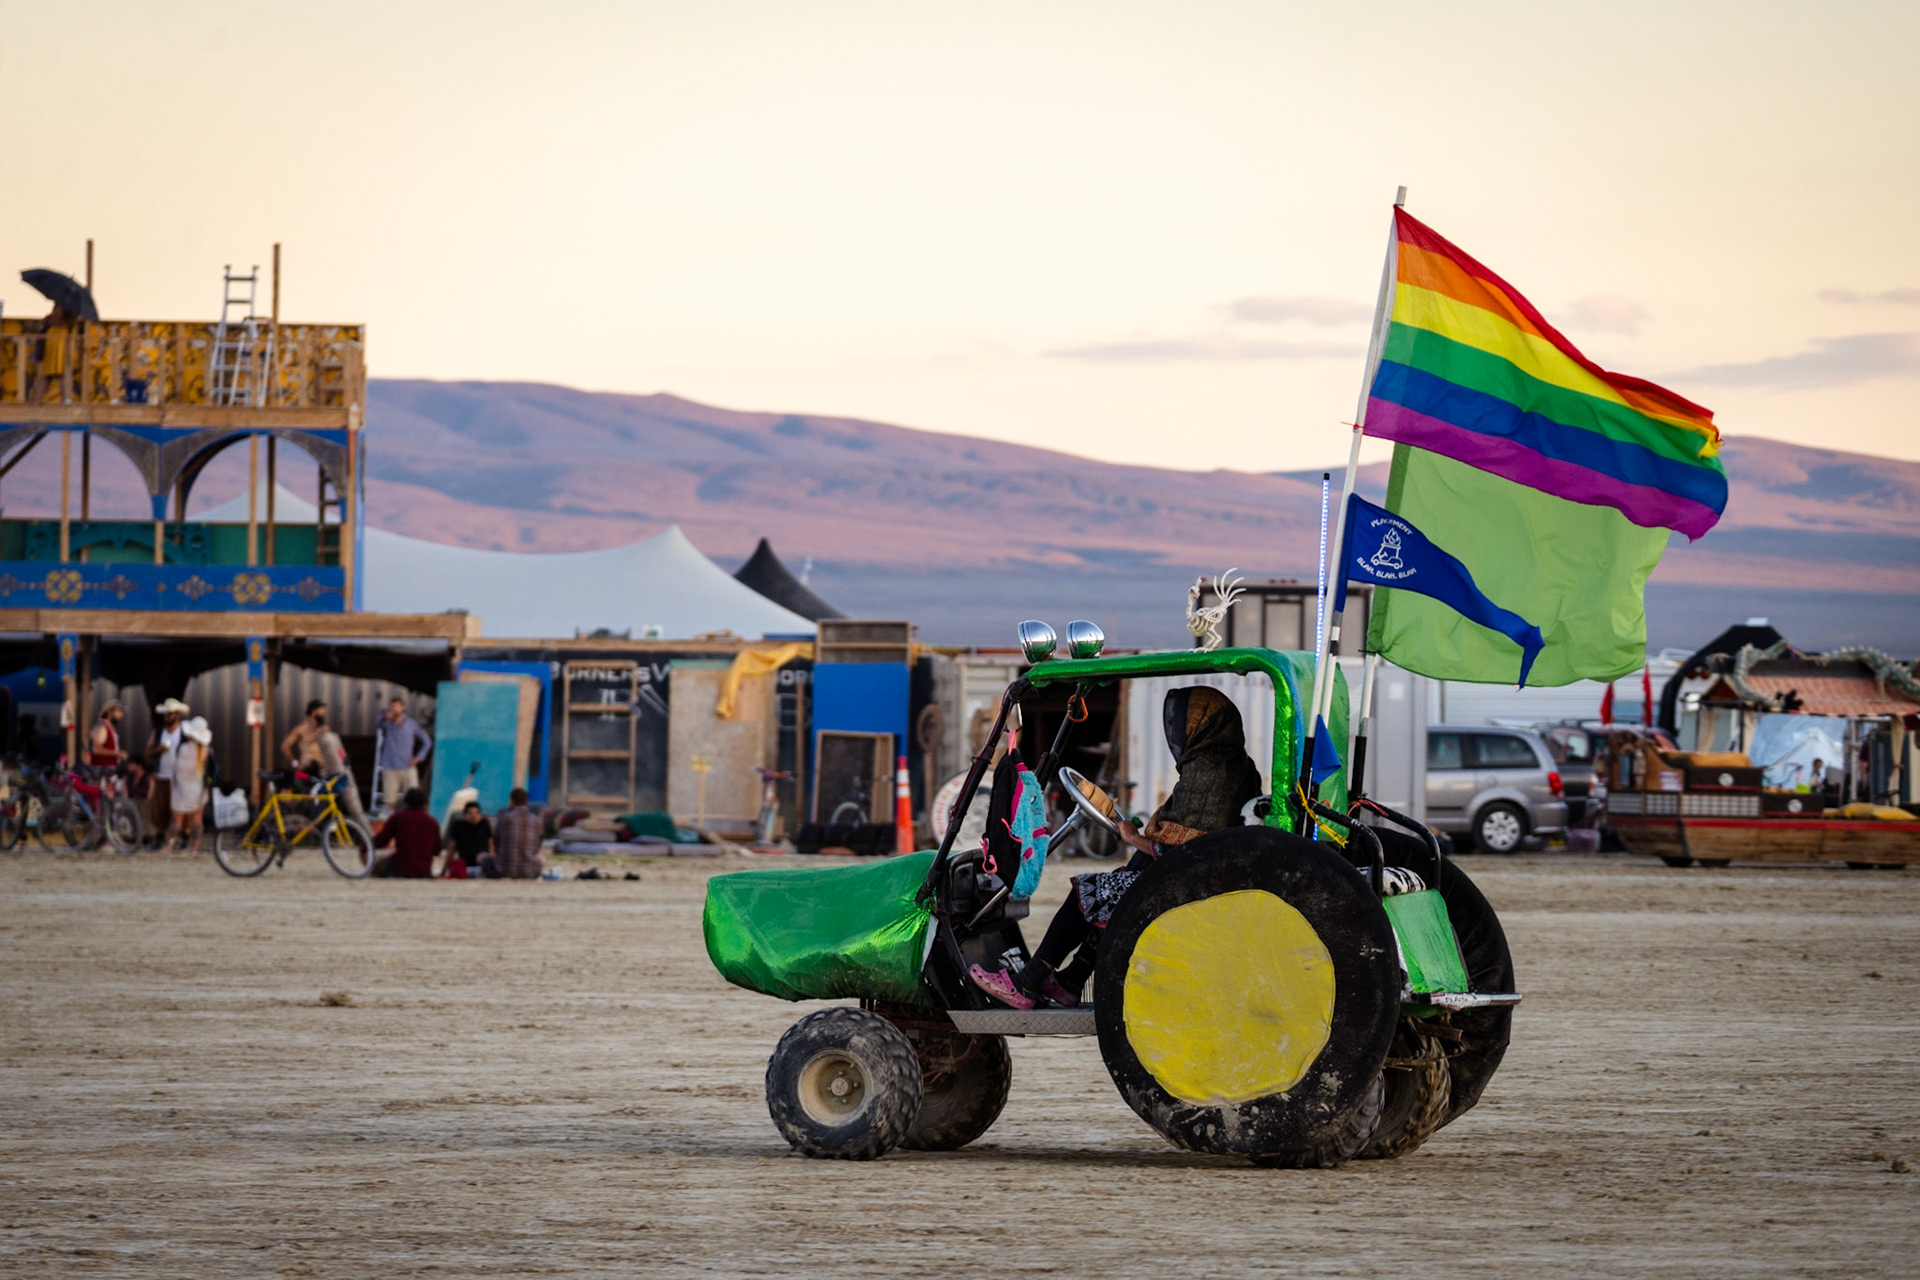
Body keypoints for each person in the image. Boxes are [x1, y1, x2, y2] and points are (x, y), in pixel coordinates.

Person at [970, 687, 1264, 1010]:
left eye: (1180, 723)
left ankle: (1027, 982)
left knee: (1087, 892)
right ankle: (1071, 980)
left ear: (1201, 722)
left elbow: (1188, 850)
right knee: (1116, 884)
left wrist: (1133, 838)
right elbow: (1188, 834)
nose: (1176, 732)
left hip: (1192, 886)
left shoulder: (1210, 771)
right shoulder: (1236, 766)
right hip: (1207, 881)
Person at [374, 697, 433, 815]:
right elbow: (378, 723)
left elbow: (427, 741)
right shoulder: (387, 722)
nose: (393, 709)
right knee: (390, 800)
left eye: (396, 706)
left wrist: (419, 757)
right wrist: (385, 717)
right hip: (390, 766)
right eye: (392, 706)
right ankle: (393, 819)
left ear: (403, 708)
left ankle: (411, 819)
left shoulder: (411, 724)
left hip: (407, 767)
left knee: (414, 798)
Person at [146, 698, 189, 847]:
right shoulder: (158, 733)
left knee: (180, 809)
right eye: (165, 714)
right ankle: (160, 837)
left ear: (177, 715)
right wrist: (158, 749)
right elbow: (148, 752)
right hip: (162, 776)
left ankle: (183, 836)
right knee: (160, 808)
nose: (166, 717)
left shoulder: (184, 733)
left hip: (179, 777)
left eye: (169, 714)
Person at [371, 787, 440, 878]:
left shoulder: (397, 818)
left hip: (399, 869)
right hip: (424, 871)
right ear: (425, 804)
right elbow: (436, 850)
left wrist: (365, 845)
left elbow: (381, 841)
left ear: (406, 802)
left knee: (378, 864)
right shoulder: (432, 822)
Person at [168, 716, 213, 853]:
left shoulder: (182, 749)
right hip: (198, 790)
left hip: (182, 789)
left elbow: (175, 770)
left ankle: (169, 845)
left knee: (177, 820)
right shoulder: (206, 751)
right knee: (197, 820)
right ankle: (194, 847)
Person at [315, 728, 367, 823]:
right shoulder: (329, 743)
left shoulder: (331, 742)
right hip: (331, 779)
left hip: (338, 779)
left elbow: (343, 759)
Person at [492, 787, 545, 880]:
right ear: (526, 801)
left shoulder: (503, 819)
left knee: (483, 858)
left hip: (503, 871)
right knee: (542, 859)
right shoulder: (537, 820)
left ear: (512, 801)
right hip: (529, 872)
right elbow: (537, 847)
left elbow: (496, 843)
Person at [444, 800, 494, 877]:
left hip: (481, 867)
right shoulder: (458, 825)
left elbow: (491, 846)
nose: (473, 816)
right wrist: (444, 870)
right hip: (465, 867)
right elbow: (451, 849)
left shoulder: (484, 824)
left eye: (476, 813)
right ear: (465, 815)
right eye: (470, 813)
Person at [282, 700, 329, 773]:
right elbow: (285, 746)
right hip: (308, 768)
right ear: (314, 712)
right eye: (321, 709)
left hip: (323, 769)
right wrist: (295, 764)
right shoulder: (301, 729)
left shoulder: (325, 729)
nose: (324, 712)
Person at [88, 701, 127, 769]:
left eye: (122, 712)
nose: (121, 714)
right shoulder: (102, 727)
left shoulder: (109, 728)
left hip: (108, 769)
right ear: (109, 712)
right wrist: (117, 753)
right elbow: (96, 749)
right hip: (102, 769)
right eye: (119, 711)